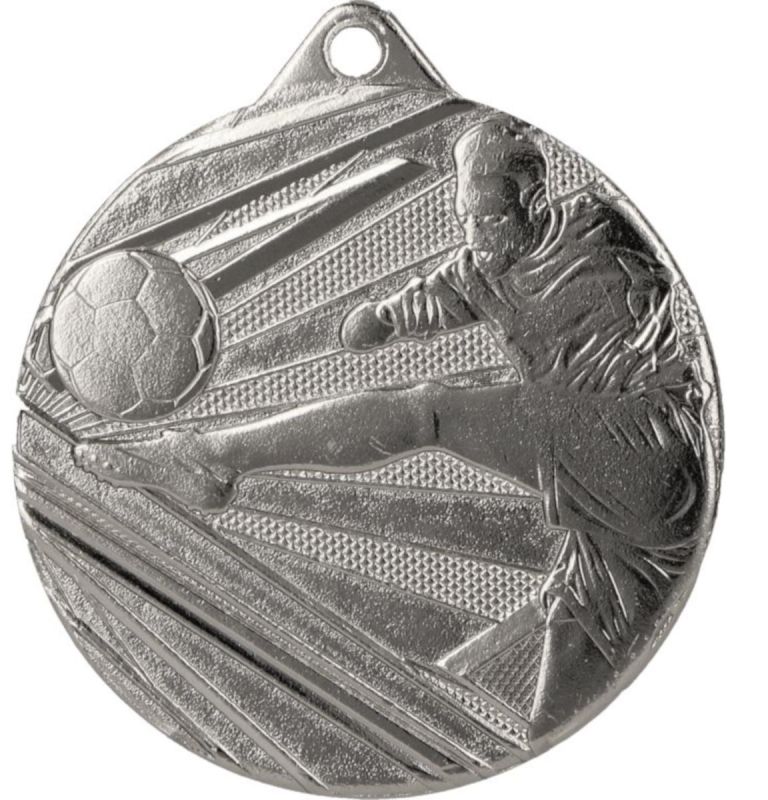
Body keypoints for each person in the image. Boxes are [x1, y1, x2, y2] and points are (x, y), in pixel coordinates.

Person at [75, 117, 710, 743]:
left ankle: (207, 458)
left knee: (427, 411)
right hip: (619, 538)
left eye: (490, 219)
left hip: (650, 446)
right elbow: (438, 295)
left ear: (536, 201)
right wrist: (384, 318)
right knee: (555, 723)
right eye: (464, 219)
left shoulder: (604, 229)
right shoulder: (484, 267)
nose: (475, 236)